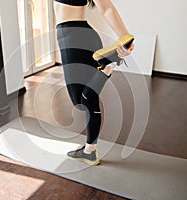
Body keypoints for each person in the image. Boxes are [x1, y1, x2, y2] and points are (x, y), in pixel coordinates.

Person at [54, 0, 134, 166]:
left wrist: (126, 38)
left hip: (71, 36)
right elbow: (106, 9)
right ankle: (89, 151)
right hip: (83, 35)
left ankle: (109, 64)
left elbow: (106, 8)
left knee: (79, 101)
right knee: (89, 98)